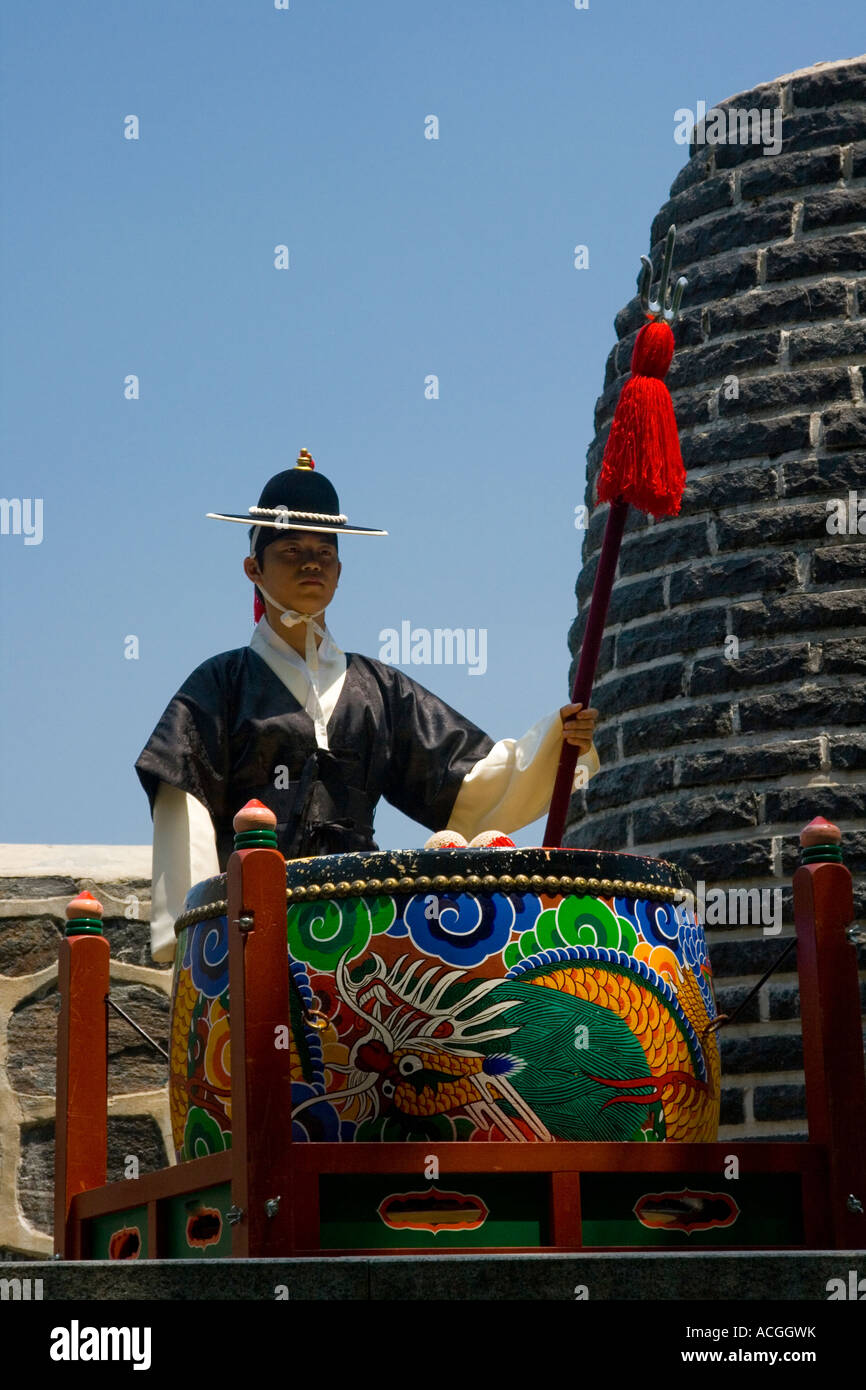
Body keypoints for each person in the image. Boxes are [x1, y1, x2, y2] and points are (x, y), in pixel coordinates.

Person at [136, 451, 600, 963]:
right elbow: (185, 800)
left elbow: (468, 783)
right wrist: (197, 932)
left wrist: (557, 742)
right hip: (253, 933)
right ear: (253, 567)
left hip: (362, 939)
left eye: (324, 551)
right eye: (291, 549)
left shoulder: (377, 689)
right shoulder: (218, 686)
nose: (311, 562)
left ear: (339, 570)